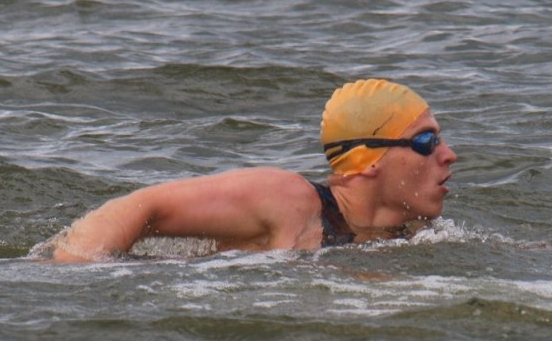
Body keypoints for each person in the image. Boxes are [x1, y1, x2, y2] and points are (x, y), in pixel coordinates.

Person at [48, 78, 458, 261]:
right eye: (426, 141)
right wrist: (75, 275)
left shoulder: (414, 235)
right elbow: (139, 206)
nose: (449, 155)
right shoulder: (287, 201)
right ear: (367, 161)